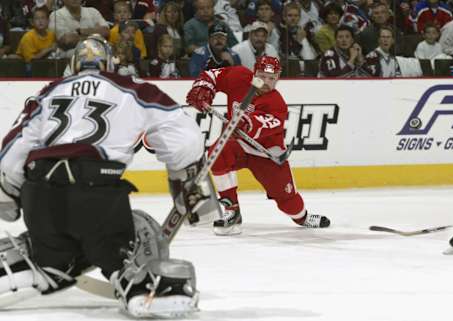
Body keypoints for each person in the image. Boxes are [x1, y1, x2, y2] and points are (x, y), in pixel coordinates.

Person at [0, 34, 215, 318]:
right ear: (110, 63)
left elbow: (12, 150)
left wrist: (9, 196)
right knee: (140, 230)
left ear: (74, 64)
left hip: (41, 195)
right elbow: (184, 140)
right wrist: (185, 177)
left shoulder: (50, 91)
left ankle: (43, 260)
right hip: (97, 194)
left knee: (50, 252)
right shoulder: (132, 88)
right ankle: (147, 287)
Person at [185, 56, 331, 236]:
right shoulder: (238, 76)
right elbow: (211, 76)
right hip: (237, 144)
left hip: (266, 153)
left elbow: (267, 123)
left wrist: (246, 122)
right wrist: (202, 89)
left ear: (278, 77)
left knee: (290, 204)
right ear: (254, 72)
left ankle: (303, 217)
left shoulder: (277, 103)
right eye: (262, 76)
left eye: (272, 78)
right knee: (217, 152)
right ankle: (232, 210)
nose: (267, 83)